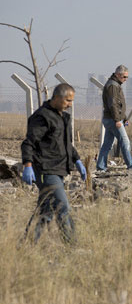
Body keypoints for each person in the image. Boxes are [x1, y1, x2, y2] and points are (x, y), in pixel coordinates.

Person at [21, 83, 86, 243]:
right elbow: (29, 143)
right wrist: (28, 165)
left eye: (72, 101)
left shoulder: (63, 117)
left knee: (46, 209)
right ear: (56, 98)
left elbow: (66, 144)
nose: (70, 105)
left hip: (59, 169)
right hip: (45, 169)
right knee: (63, 206)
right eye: (67, 101)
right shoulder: (42, 117)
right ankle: (72, 245)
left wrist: (77, 159)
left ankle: (28, 243)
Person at [96, 65, 132, 171]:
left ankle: (101, 166)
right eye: (124, 77)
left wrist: (124, 118)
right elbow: (113, 104)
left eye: (127, 77)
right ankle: (131, 166)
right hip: (112, 119)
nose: (125, 80)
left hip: (110, 118)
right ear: (117, 74)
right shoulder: (113, 86)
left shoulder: (115, 84)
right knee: (125, 141)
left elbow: (119, 105)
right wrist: (117, 120)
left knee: (107, 144)